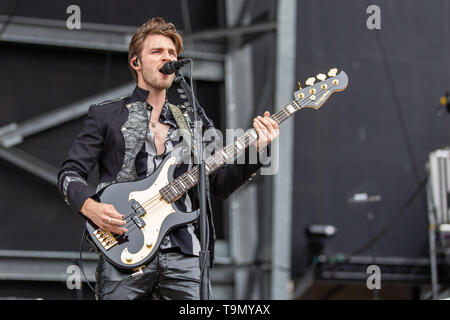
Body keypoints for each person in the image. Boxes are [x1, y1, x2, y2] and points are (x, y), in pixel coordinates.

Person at [57, 17, 279, 300]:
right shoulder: (106, 115)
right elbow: (70, 173)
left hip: (185, 251)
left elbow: (220, 185)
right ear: (136, 63)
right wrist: (90, 206)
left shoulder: (193, 119)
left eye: (172, 53)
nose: (168, 58)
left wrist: (258, 150)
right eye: (157, 52)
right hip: (124, 245)